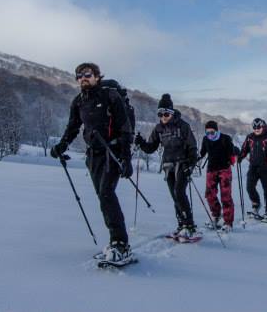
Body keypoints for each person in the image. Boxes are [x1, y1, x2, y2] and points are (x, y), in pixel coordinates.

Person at [52, 62, 133, 262]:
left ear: (97, 75)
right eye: (79, 76)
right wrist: (61, 145)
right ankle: (116, 241)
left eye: (87, 74)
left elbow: (125, 127)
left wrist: (126, 157)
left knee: (106, 194)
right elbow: (73, 127)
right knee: (102, 196)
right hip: (93, 155)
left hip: (112, 152)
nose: (83, 78)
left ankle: (120, 244)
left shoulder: (110, 96)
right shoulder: (79, 101)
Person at [136, 94, 200, 241]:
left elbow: (192, 146)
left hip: (182, 164)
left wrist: (190, 164)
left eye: (166, 113)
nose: (163, 116)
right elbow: (151, 147)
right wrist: (141, 143)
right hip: (168, 165)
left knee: (179, 192)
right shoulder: (158, 128)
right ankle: (181, 225)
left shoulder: (183, 126)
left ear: (171, 112)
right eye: (160, 114)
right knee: (174, 196)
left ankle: (189, 226)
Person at [199, 120, 238, 232]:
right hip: (211, 169)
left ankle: (228, 222)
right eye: (208, 133)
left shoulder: (225, 138)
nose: (210, 135)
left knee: (226, 196)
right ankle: (216, 216)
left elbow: (232, 152)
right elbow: (202, 152)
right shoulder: (206, 139)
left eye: (212, 132)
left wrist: (236, 151)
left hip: (224, 169)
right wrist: (195, 158)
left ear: (216, 131)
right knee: (209, 194)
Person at [237, 118, 267, 222]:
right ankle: (256, 204)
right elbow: (244, 149)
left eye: (258, 127)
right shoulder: (250, 137)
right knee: (249, 187)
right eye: (254, 127)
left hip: (266, 167)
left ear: (263, 126)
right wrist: (240, 157)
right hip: (253, 167)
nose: (256, 129)